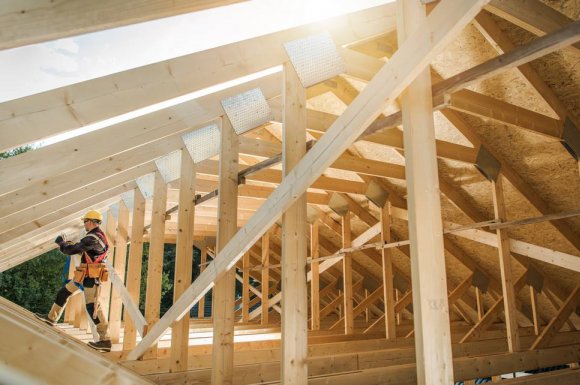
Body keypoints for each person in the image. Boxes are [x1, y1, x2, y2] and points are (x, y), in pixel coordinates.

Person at [35, 210, 112, 352]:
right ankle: (51, 318)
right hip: (83, 275)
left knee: (93, 308)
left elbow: (70, 250)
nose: (84, 225)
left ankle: (105, 340)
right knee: (63, 292)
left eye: (85, 222)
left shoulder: (93, 238)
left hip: (90, 278)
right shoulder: (96, 237)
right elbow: (82, 249)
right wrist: (73, 245)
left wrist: (61, 243)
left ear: (91, 221)